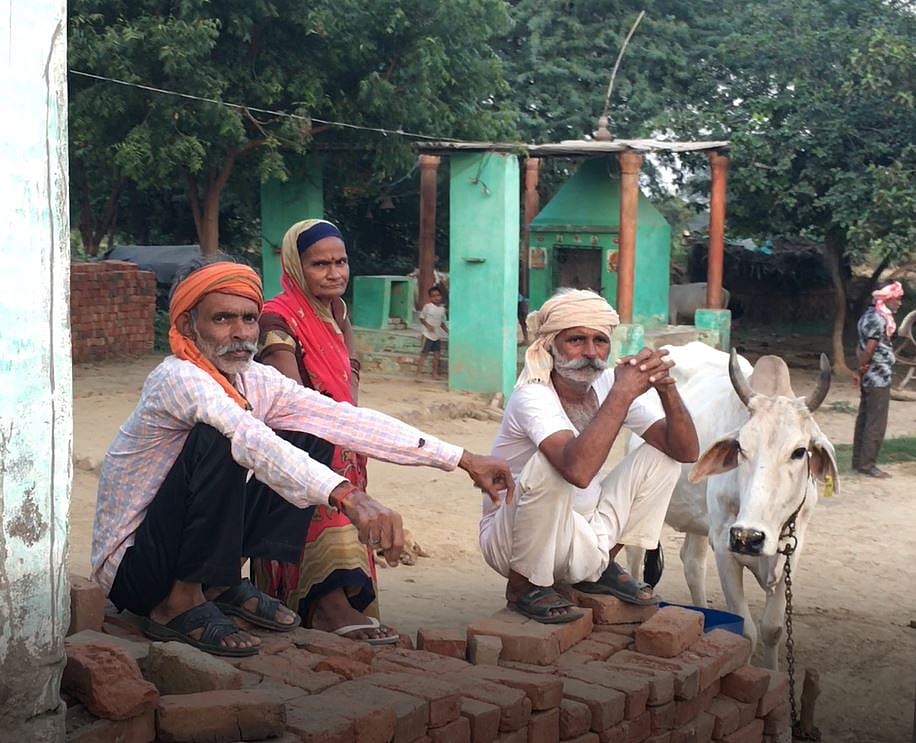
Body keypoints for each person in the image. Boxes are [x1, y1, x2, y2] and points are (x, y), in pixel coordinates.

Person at [91, 259, 513, 657]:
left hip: (179, 546)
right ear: (189, 324)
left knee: (310, 434)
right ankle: (177, 604)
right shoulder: (179, 377)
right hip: (136, 569)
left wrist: (462, 458)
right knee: (223, 438)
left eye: (249, 318)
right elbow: (250, 438)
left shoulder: (255, 379)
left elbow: (345, 420)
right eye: (222, 319)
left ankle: (218, 586)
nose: (241, 332)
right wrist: (349, 495)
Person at [478, 289, 699, 623]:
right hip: (514, 543)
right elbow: (577, 470)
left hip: (581, 534)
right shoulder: (533, 396)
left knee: (662, 457)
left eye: (600, 341)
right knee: (551, 465)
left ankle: (599, 567)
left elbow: (686, 451)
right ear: (550, 344)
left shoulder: (607, 383)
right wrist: (622, 394)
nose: (591, 353)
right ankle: (522, 588)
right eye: (576, 340)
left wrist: (665, 387)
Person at [251, 219, 396, 645]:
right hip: (301, 438)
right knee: (319, 506)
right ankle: (328, 607)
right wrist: (334, 427)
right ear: (296, 266)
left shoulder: (337, 311)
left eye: (341, 262)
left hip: (343, 438)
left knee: (350, 511)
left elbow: (348, 376)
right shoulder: (276, 316)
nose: (335, 273)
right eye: (321, 264)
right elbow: (291, 397)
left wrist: (352, 430)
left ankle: (341, 604)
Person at [852, 280, 905, 479]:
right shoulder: (878, 319)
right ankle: (868, 464)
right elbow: (870, 347)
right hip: (878, 377)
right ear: (888, 298)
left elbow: (861, 346)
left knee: (864, 418)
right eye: (898, 299)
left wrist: (861, 368)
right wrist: (860, 369)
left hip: (870, 375)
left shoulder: (868, 315)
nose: (899, 303)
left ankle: (858, 461)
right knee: (876, 421)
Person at [416, 285, 448, 379]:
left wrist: (448, 332)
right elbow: (421, 318)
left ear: (441, 296)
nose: (436, 298)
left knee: (437, 355)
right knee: (424, 354)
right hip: (427, 334)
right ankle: (418, 373)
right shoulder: (428, 307)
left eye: (438, 295)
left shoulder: (442, 309)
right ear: (430, 297)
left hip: (437, 335)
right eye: (433, 296)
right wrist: (428, 326)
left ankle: (434, 373)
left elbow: (442, 323)